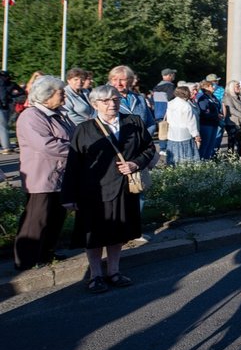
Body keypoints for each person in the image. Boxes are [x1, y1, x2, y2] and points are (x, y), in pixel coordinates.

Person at [60, 84, 155, 292]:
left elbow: (149, 148)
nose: (112, 104)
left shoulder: (134, 122)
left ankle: (114, 271)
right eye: (106, 101)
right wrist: (69, 195)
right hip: (93, 191)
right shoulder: (84, 129)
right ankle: (95, 275)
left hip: (123, 188)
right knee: (94, 235)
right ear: (95, 104)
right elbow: (74, 163)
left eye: (115, 100)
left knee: (118, 231)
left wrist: (135, 163)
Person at [14, 77, 75, 270]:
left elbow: (74, 135)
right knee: (37, 218)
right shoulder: (31, 116)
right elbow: (46, 145)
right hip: (41, 176)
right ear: (46, 96)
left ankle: (46, 253)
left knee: (56, 217)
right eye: (61, 92)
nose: (64, 95)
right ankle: (25, 260)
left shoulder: (59, 114)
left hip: (61, 175)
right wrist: (78, 149)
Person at [108, 66, 156, 137]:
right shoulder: (105, 100)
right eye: (115, 80)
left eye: (122, 80)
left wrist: (144, 138)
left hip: (142, 143)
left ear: (130, 81)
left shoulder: (140, 99)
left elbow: (151, 123)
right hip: (118, 144)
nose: (119, 83)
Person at [165, 86, 200, 165]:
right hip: (185, 134)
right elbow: (191, 122)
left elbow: (168, 119)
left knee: (173, 158)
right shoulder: (186, 105)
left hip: (172, 133)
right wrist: (196, 134)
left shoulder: (170, 103)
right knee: (186, 157)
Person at [222, 80, 241, 156]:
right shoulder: (227, 97)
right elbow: (231, 110)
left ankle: (239, 156)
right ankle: (230, 158)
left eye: (239, 85)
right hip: (232, 123)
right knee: (232, 142)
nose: (239, 87)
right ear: (232, 87)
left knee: (240, 142)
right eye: (237, 86)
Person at [195, 80, 222, 160]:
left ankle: (207, 160)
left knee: (211, 144)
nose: (213, 87)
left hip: (214, 123)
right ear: (205, 87)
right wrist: (216, 115)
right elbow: (204, 112)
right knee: (205, 144)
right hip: (206, 124)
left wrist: (219, 114)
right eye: (211, 86)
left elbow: (217, 107)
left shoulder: (213, 96)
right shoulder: (203, 98)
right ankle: (202, 160)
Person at [0, 70, 25, 154]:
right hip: (8, 106)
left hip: (4, 106)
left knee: (3, 127)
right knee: (4, 126)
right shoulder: (12, 84)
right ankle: (6, 146)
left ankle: (6, 146)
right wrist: (12, 97)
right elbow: (22, 92)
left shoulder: (3, 83)